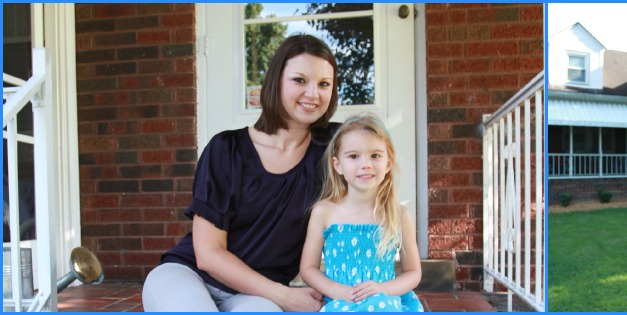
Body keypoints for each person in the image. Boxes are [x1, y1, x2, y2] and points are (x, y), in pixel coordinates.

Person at [142, 34, 340, 312]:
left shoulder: (335, 148)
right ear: (276, 82)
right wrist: (284, 296)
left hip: (257, 295)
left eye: (324, 84)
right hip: (188, 275)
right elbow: (208, 255)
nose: (313, 93)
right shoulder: (226, 149)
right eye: (299, 80)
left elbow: (380, 149)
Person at [300, 113, 424, 312]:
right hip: (338, 300)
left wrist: (382, 289)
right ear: (338, 165)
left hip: (384, 301)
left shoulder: (399, 215)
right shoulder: (324, 212)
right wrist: (337, 291)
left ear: (388, 163)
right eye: (354, 156)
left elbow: (413, 272)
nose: (365, 164)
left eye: (375, 155)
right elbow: (308, 268)